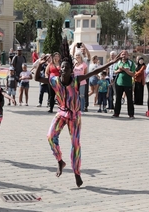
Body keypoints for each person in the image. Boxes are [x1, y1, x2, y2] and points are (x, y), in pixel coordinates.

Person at [34, 39, 122, 187]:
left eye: (67, 68)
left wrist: (112, 62)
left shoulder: (76, 80)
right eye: (62, 67)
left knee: (75, 144)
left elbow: (95, 71)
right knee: (50, 136)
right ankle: (60, 161)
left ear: (71, 70)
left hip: (74, 116)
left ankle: (76, 172)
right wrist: (41, 64)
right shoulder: (54, 80)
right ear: (60, 68)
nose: (64, 70)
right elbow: (37, 78)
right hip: (61, 113)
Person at [113, 50, 135, 119]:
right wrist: (119, 70)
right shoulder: (118, 62)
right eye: (122, 54)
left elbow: (133, 74)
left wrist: (125, 70)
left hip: (128, 84)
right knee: (118, 99)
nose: (124, 55)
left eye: (125, 54)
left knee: (129, 99)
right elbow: (115, 71)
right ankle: (116, 113)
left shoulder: (131, 63)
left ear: (128, 55)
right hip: (119, 83)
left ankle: (131, 114)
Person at [72, 42, 91, 112]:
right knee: (75, 95)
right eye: (81, 50)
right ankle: (76, 107)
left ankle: (84, 107)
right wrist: (74, 46)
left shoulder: (85, 60)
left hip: (83, 79)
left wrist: (85, 46)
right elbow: (73, 55)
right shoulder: (75, 62)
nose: (82, 51)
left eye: (83, 50)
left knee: (83, 94)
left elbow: (89, 55)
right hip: (75, 81)